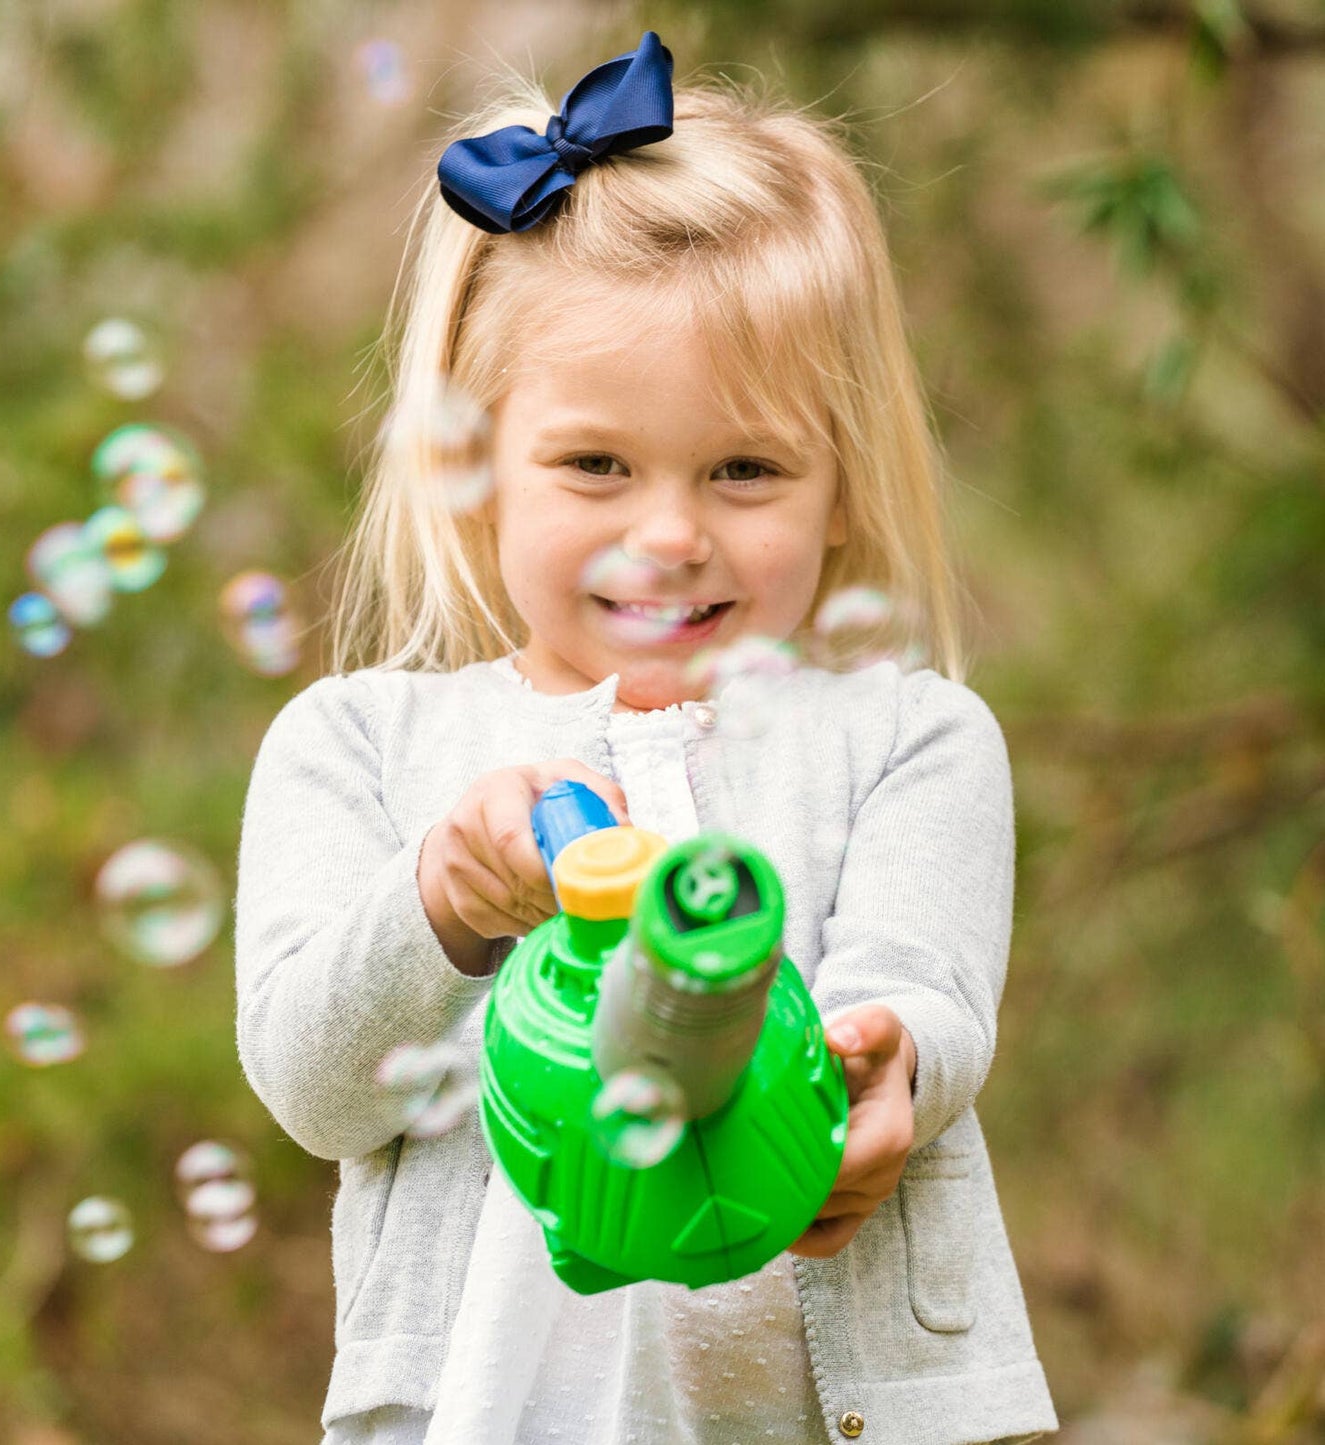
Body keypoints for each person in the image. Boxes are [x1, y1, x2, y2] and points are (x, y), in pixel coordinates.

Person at [235, 29, 1057, 1445]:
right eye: (595, 464)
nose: (668, 533)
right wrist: (439, 900)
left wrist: (886, 1076)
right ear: (476, 460)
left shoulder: (910, 735)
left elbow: (923, 991)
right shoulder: (357, 747)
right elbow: (314, 1088)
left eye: (745, 468)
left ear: (843, 482)